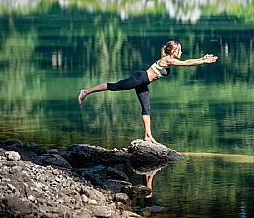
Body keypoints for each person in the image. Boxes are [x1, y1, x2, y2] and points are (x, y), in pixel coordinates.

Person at [78, 40, 218, 144]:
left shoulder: (169, 59)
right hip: (139, 79)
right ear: (173, 52)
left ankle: (148, 135)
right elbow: (187, 63)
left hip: (143, 82)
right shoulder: (168, 60)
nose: (181, 53)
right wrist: (204, 61)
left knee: (146, 108)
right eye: (179, 50)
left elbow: (187, 61)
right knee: (114, 86)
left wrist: (202, 59)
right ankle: (86, 92)